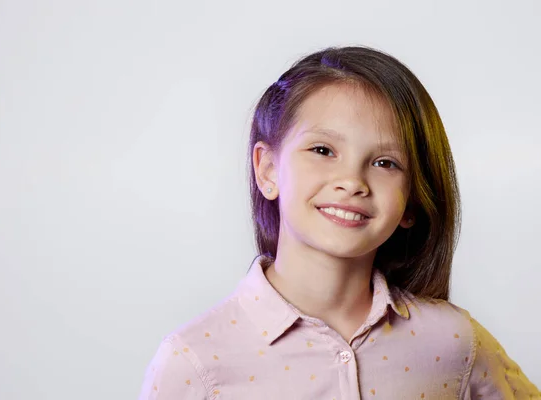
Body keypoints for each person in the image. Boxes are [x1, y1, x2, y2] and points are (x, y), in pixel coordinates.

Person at [139, 46, 540, 399]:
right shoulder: (194, 363)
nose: (352, 181)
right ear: (268, 170)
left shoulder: (454, 343)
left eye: (385, 163)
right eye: (323, 149)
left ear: (412, 201)